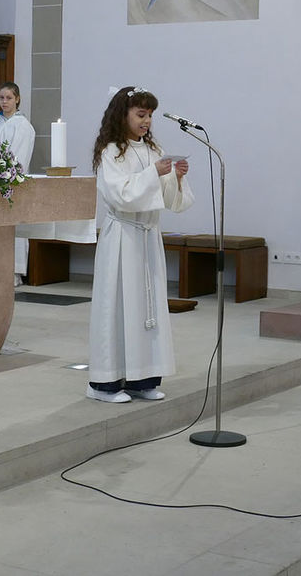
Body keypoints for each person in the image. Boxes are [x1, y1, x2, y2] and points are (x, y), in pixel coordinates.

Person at [87, 86, 193, 403]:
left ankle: (142, 379)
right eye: (141, 115)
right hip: (122, 238)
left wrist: (176, 177)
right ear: (124, 115)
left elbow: (169, 198)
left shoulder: (152, 149)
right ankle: (103, 385)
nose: (146, 122)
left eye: (149, 116)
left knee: (147, 310)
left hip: (147, 238)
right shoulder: (111, 151)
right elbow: (120, 194)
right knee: (117, 307)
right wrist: (153, 174)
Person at [0, 82, 35, 286]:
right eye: (1, 98)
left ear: (17, 99)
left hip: (12, 183)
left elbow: (20, 157)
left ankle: (14, 271)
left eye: (8, 98)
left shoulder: (23, 126)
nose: (4, 102)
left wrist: (4, 172)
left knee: (14, 226)